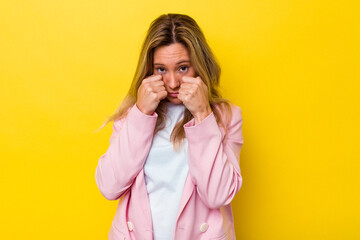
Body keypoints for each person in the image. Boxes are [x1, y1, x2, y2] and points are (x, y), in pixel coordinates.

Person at [95, 13, 244, 240]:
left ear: (199, 66)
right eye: (161, 70)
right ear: (149, 70)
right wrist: (141, 114)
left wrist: (203, 114)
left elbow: (218, 195)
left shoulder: (227, 117)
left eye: (182, 68)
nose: (173, 83)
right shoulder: (131, 116)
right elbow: (109, 186)